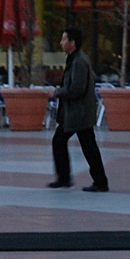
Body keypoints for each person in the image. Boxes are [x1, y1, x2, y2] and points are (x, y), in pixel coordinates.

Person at [48, 27, 109, 192]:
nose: (61, 43)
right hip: (75, 112)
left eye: (64, 39)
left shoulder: (79, 61)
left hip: (78, 113)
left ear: (72, 43)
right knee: (82, 145)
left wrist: (57, 92)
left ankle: (97, 181)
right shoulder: (74, 59)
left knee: (82, 145)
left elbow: (77, 89)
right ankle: (68, 178)